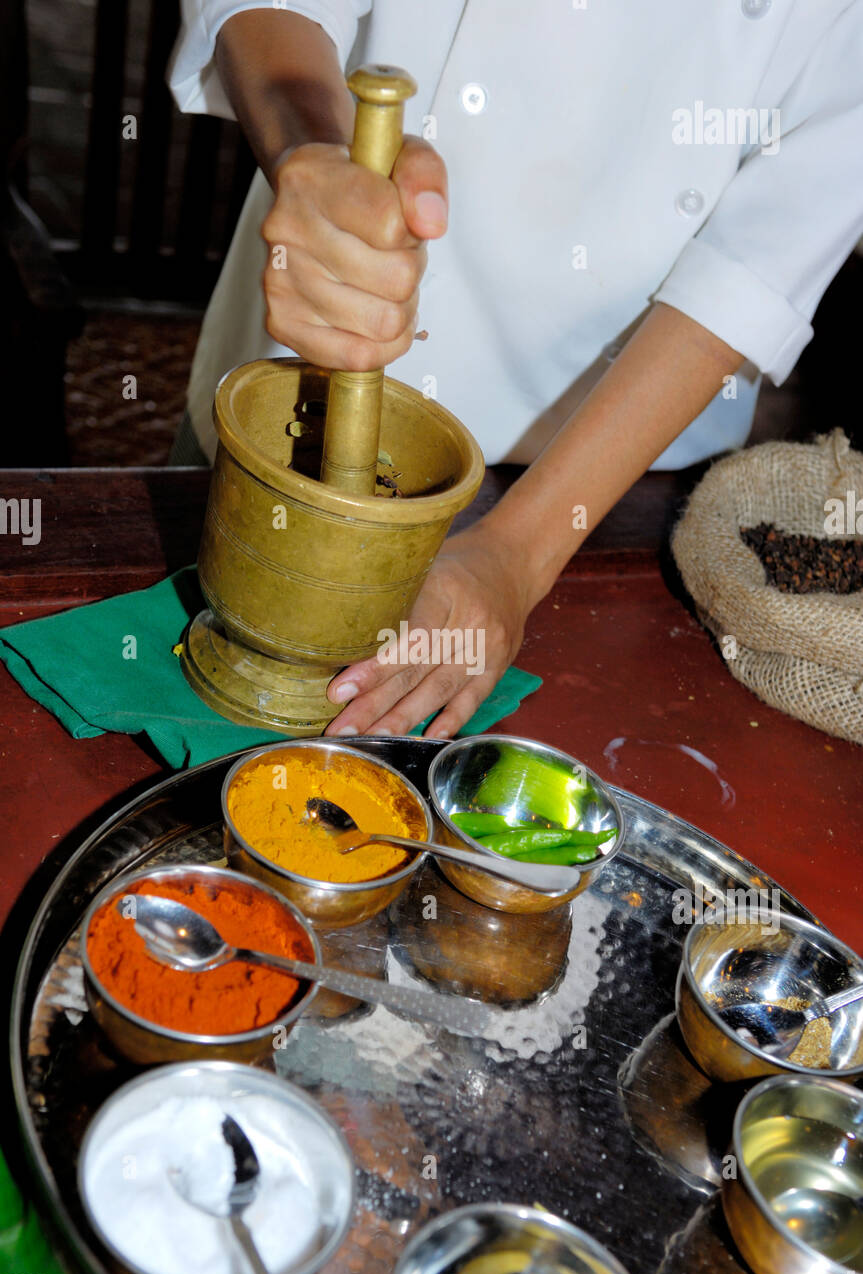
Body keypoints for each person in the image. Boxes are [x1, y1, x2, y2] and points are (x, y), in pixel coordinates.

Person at [168, 0, 863, 738]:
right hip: (290, 409)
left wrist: (515, 558)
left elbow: (760, 261)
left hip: (623, 479)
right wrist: (314, 157)